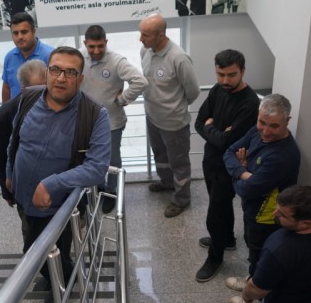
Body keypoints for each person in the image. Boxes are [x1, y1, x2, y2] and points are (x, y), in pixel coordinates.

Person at [5, 46, 110, 303]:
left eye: (70, 72)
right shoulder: (28, 98)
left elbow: (97, 167)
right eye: (55, 70)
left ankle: (63, 281)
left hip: (59, 206)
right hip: (23, 197)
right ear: (47, 72)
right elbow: (14, 140)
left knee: (44, 250)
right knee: (36, 246)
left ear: (80, 79)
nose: (61, 78)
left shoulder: (94, 115)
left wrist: (52, 183)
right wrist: (9, 173)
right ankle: (52, 275)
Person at [223, 93, 301, 303]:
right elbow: (228, 152)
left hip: (267, 217)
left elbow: (246, 190)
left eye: (274, 126)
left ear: (287, 121)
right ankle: (252, 278)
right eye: (262, 122)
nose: (265, 131)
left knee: (261, 256)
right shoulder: (256, 132)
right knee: (252, 247)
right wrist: (244, 172)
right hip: (253, 210)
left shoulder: (283, 156)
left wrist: (240, 171)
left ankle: (256, 297)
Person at [193, 49, 260, 282]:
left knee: (215, 213)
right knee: (219, 205)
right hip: (210, 160)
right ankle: (227, 238)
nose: (225, 80)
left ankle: (216, 256)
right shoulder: (217, 89)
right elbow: (198, 122)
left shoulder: (250, 103)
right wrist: (217, 132)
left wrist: (211, 128)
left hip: (229, 167)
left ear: (243, 71)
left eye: (231, 75)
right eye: (220, 74)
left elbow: (225, 141)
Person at [81, 25, 148, 213]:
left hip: (112, 122)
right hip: (86, 123)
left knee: (112, 160)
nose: (96, 51)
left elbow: (141, 81)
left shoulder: (117, 61)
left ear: (106, 42)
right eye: (91, 46)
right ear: (85, 43)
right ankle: (98, 187)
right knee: (90, 158)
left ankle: (111, 191)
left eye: (100, 46)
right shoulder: (78, 58)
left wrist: (122, 99)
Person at [139, 14, 200, 218]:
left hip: (174, 123)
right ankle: (166, 182)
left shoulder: (179, 58)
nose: (140, 39)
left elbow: (193, 91)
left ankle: (182, 198)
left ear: (160, 35)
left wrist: (174, 108)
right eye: (141, 33)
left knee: (179, 162)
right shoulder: (145, 51)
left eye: (145, 35)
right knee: (160, 155)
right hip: (152, 118)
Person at [0, 59, 47, 243]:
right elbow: (1, 155)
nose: (43, 94)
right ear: (23, 89)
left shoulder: (57, 106)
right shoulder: (6, 114)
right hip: (23, 186)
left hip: (55, 185)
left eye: (45, 88)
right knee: (31, 233)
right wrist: (6, 191)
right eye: (37, 89)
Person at [1, 11, 54, 102]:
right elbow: (6, 87)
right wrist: (5, 109)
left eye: (24, 32)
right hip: (16, 110)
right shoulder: (9, 57)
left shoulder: (51, 56)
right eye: (15, 33)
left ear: (34, 32)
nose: (20, 37)